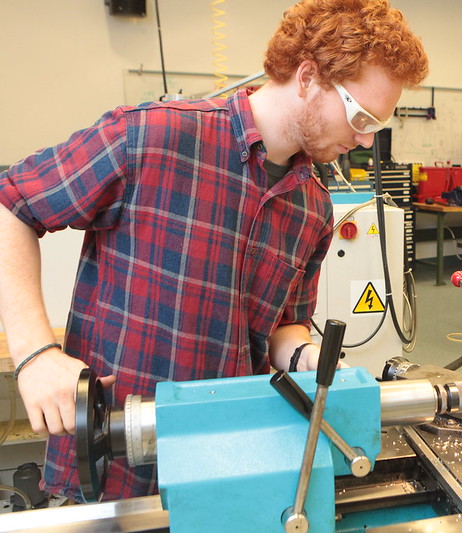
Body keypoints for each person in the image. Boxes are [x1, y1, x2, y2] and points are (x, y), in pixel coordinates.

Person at [0, 0, 428, 502]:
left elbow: (281, 327)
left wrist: (305, 356)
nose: (362, 137)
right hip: (113, 464)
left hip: (221, 465)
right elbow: (13, 204)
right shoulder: (152, 137)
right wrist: (34, 353)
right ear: (308, 76)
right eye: (359, 115)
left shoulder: (312, 207)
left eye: (374, 125)